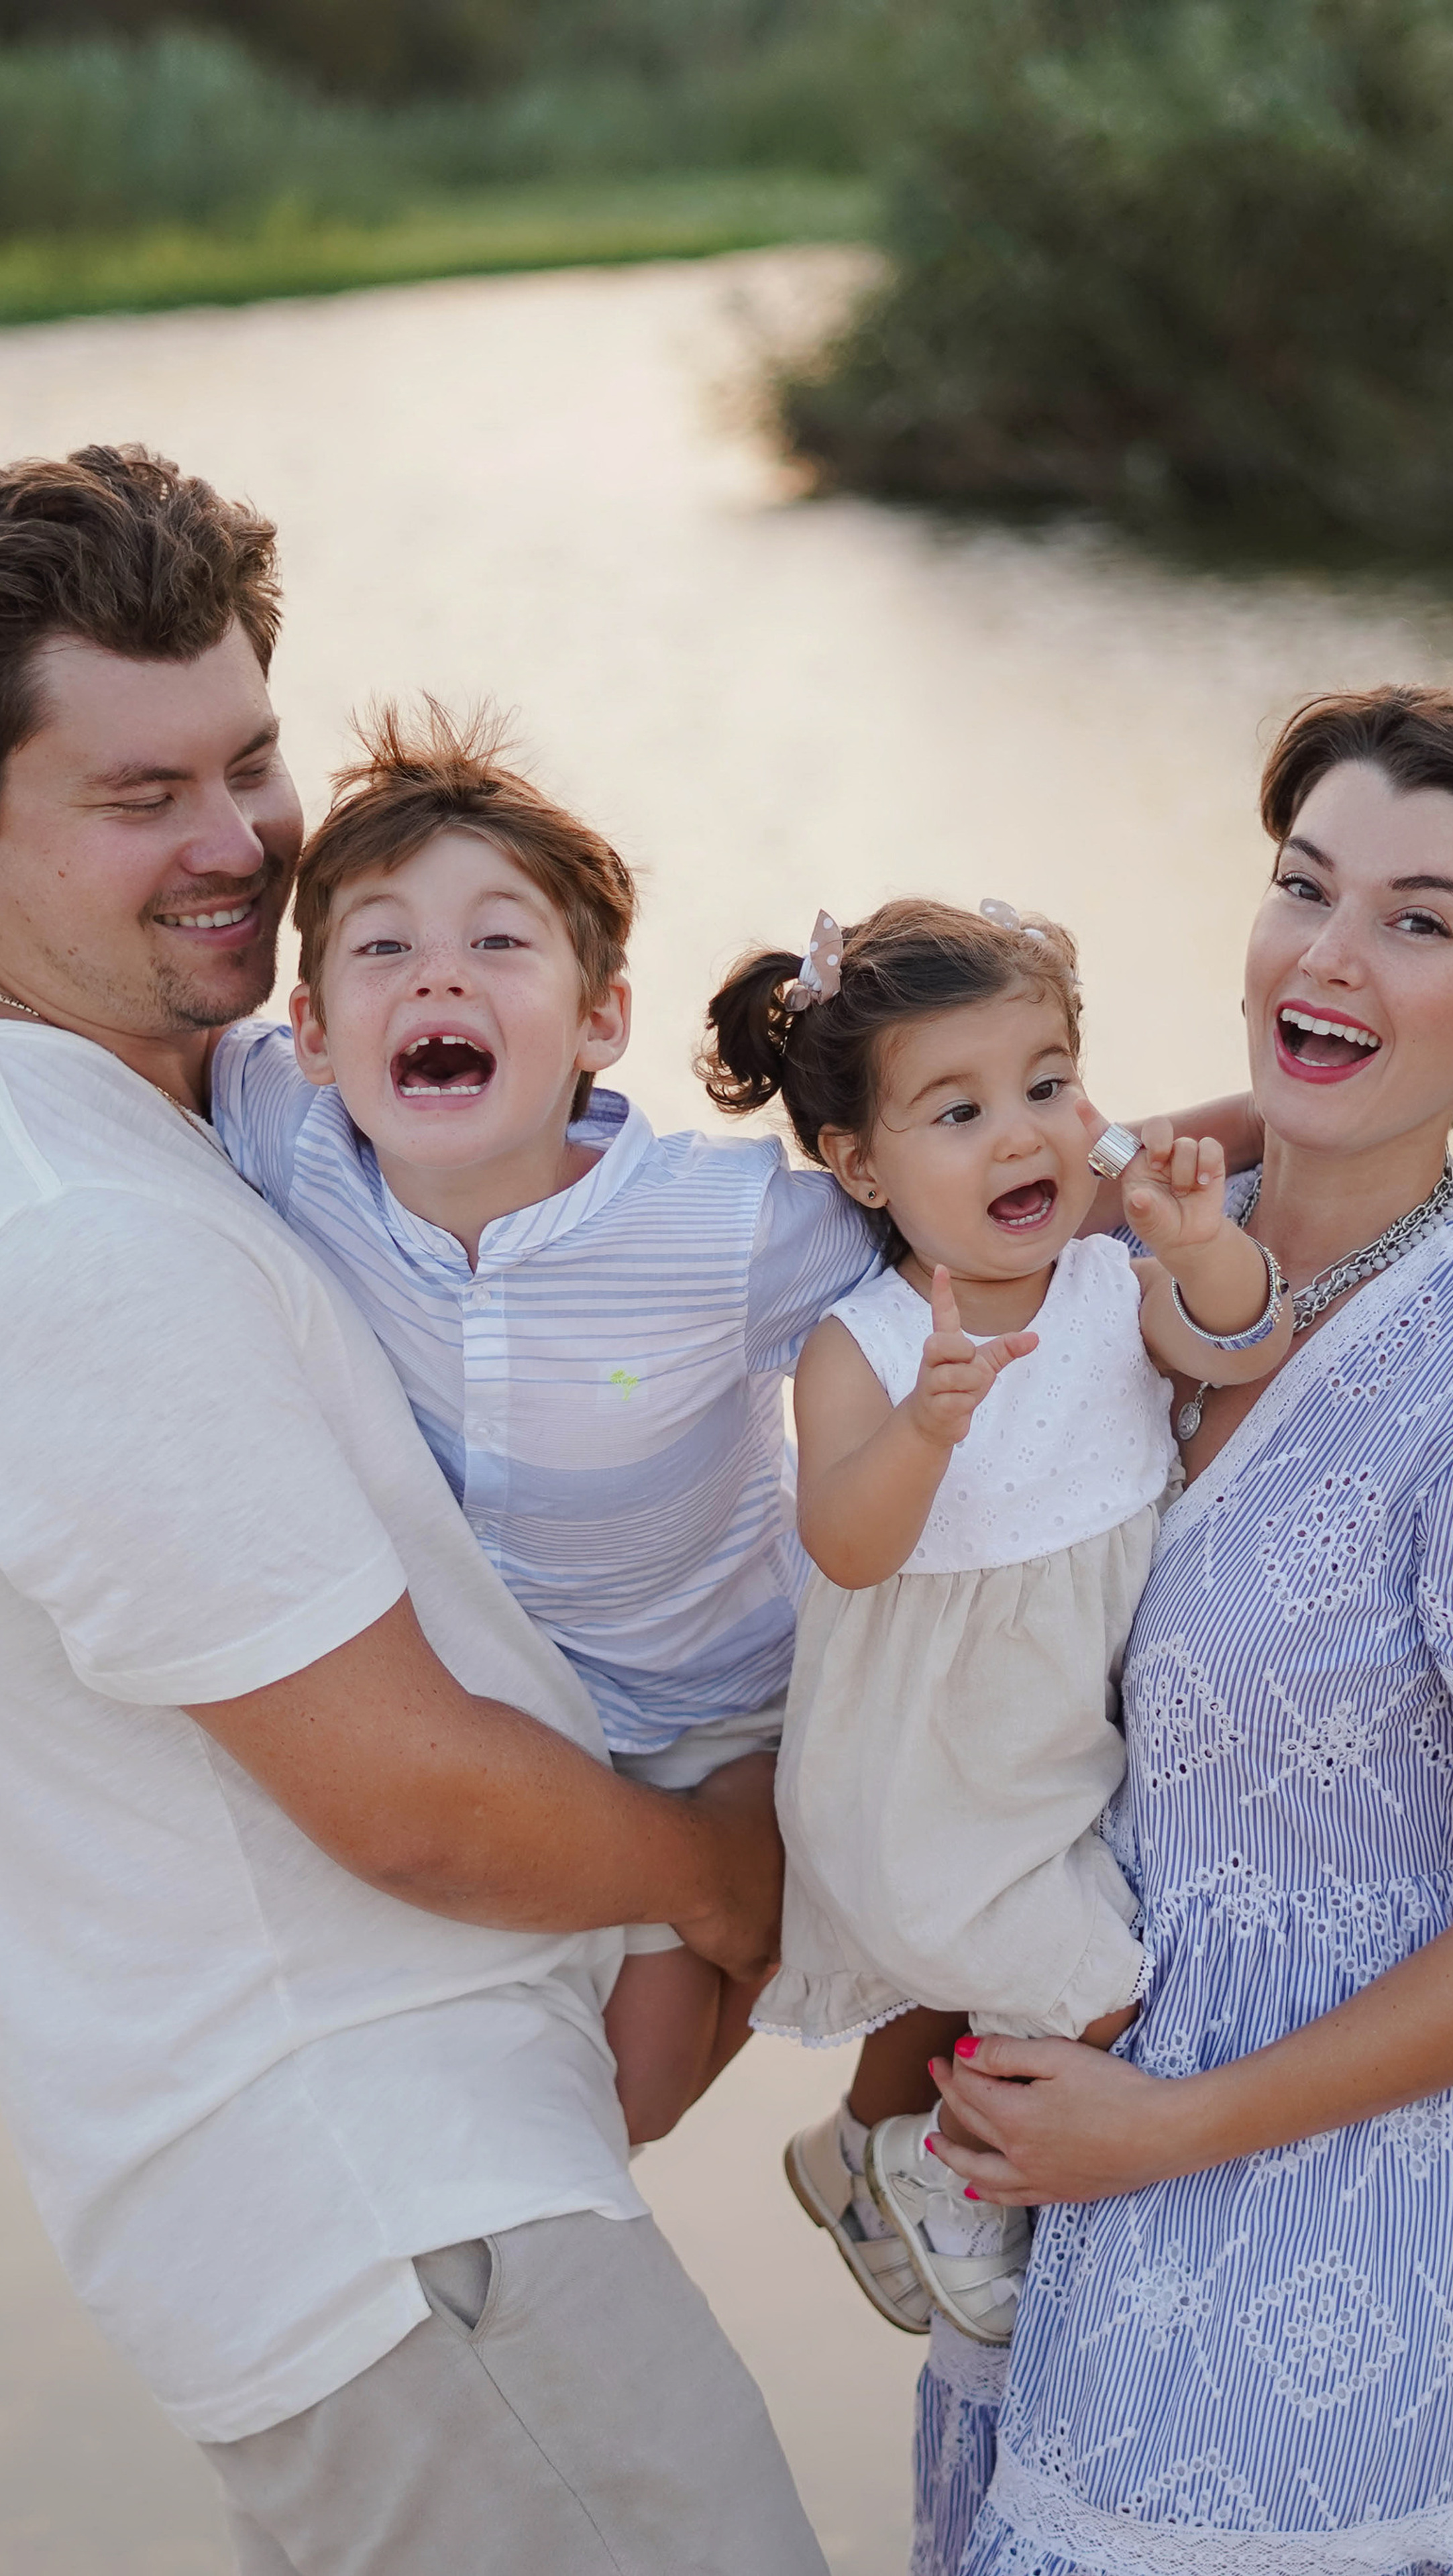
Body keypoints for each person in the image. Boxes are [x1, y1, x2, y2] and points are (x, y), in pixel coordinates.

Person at [0, 444, 826, 2576]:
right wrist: (733, 1881)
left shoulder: (199, 1129)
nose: (236, 847)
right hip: (398, 2231)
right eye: (135, 798)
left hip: (407, 2207)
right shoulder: (73, 1222)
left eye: (249, 761)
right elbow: (412, 1800)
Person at [910, 687, 1453, 2576]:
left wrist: (1176, 2129)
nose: (1326, 956)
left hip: (1326, 2271)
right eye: (1302, 886)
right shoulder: (1116, 1261)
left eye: (1420, 921)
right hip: (1053, 2225)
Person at [209, 702, 884, 2145]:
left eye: (498, 944)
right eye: (383, 948)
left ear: (599, 1020)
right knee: (612, 2093)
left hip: (733, 1698)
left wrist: (1183, 1184)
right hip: (531, 1725)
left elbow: (955, 1224)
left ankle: (874, 2137)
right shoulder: (286, 1141)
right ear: (315, 1031)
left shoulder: (725, 1228)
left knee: (718, 2014)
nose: (437, 974)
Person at [698, 898, 1291, 2345]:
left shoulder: (1107, 1274)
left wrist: (1201, 1237)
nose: (1019, 1134)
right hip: (920, 1773)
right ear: (860, 1164)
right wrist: (921, 1433)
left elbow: (1245, 1339)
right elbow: (844, 1546)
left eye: (1044, 1086)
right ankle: (939, 2166)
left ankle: (858, 2152)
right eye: (956, 1111)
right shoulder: (870, 1345)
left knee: (1002, 1966)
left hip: (1047, 1752)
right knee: (1091, 1995)